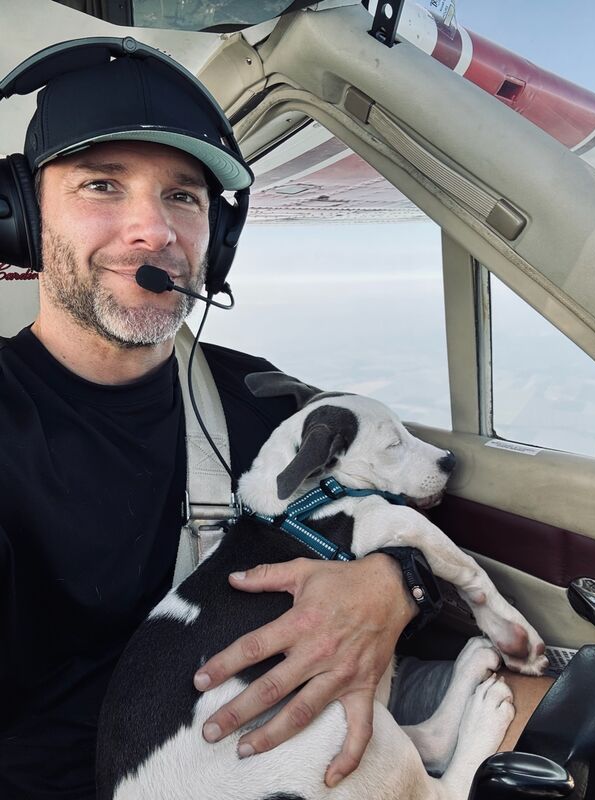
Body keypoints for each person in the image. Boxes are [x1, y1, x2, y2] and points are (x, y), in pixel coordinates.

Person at [0, 42, 422, 799]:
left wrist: (390, 585)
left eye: (184, 197)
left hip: (289, 743)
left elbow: (386, 518)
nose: (153, 231)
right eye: (102, 185)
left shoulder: (263, 399)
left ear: (216, 241)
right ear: (23, 220)